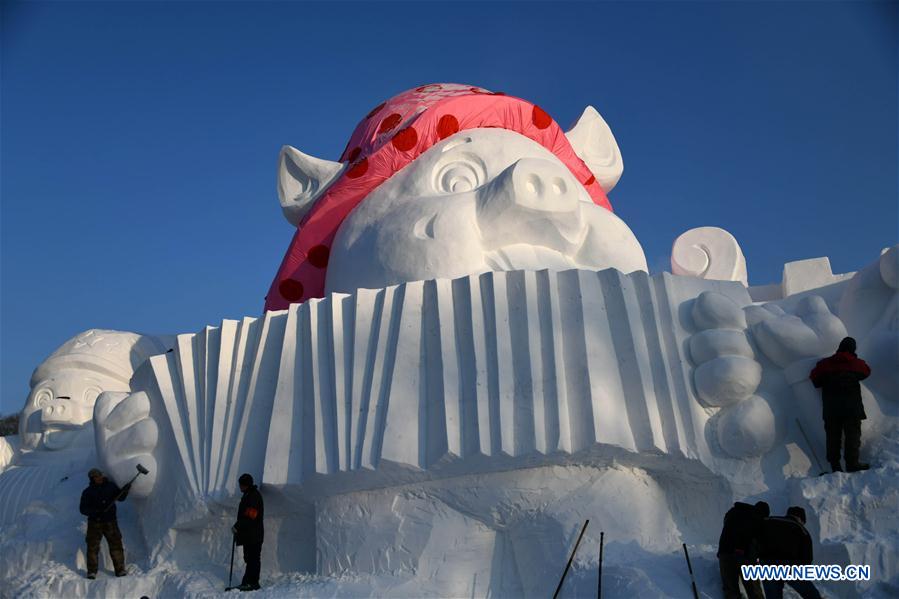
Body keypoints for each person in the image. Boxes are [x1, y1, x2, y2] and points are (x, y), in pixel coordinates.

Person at [809, 336, 872, 472]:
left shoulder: (825, 364)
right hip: (852, 409)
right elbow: (867, 371)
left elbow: (814, 379)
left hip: (832, 409)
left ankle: (835, 467)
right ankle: (852, 464)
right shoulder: (856, 363)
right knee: (852, 436)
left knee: (832, 437)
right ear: (853, 349)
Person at [759, 506, 822, 599]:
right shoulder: (801, 529)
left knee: (773, 596)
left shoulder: (770, 521)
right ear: (800, 518)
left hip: (767, 565)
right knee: (810, 594)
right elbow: (807, 557)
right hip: (790, 566)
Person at [79, 468, 131, 579]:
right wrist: (95, 512)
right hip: (94, 523)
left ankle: (120, 570)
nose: (100, 478)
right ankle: (92, 571)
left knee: (116, 545)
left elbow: (121, 498)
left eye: (100, 475)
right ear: (92, 478)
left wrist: (125, 490)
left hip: (110, 522)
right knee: (92, 548)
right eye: (97, 476)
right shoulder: (87, 492)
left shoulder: (110, 487)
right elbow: (82, 509)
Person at [717, 500, 768, 599]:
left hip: (725, 553)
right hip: (745, 556)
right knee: (754, 591)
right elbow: (760, 542)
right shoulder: (758, 518)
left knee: (731, 591)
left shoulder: (732, 512)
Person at [232, 473, 264, 591]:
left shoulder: (253, 496)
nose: (239, 486)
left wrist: (237, 526)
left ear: (246, 485)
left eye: (241, 484)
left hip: (254, 534)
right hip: (249, 534)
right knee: (250, 558)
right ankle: (248, 582)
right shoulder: (248, 495)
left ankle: (253, 582)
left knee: (253, 558)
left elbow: (251, 515)